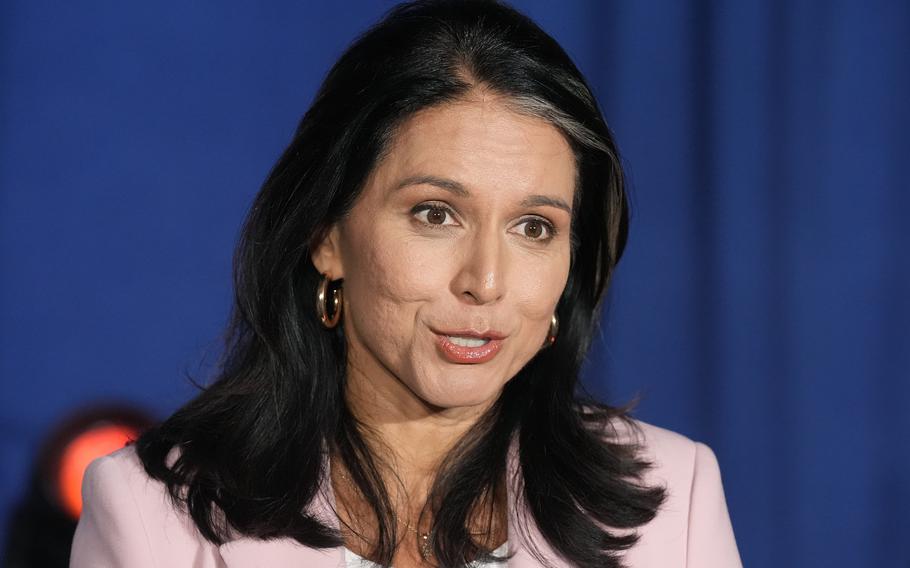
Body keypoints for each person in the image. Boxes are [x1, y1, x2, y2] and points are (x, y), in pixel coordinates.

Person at [70, 1, 742, 567]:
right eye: (436, 214)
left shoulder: (674, 500)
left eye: (534, 227)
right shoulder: (152, 518)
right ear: (326, 234)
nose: (485, 281)